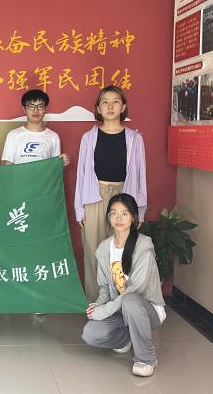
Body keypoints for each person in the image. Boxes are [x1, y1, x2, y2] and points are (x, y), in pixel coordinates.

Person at [74, 85, 147, 303]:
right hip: (94, 196)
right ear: (98, 108)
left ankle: (120, 303)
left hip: (125, 196)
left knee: (122, 251)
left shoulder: (135, 138)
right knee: (94, 251)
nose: (110, 106)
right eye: (105, 102)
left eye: (116, 101)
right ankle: (95, 303)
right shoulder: (88, 138)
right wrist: (79, 208)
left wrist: (140, 210)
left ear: (123, 107)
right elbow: (81, 174)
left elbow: (141, 175)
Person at [81, 194, 165, 377]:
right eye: (113, 213)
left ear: (134, 218)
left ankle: (146, 358)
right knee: (90, 334)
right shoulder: (104, 249)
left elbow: (136, 289)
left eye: (124, 214)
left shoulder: (143, 246)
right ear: (108, 217)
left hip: (147, 309)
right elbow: (104, 287)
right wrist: (99, 304)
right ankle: (126, 339)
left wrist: (105, 311)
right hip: (120, 309)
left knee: (130, 300)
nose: (118, 218)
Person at [1, 89, 70, 167]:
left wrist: (62, 163)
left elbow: (54, 167)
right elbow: (7, 166)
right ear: (24, 109)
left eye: (40, 106)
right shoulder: (13, 135)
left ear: (45, 109)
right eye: (31, 106)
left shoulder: (53, 136)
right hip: (19, 175)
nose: (36, 110)